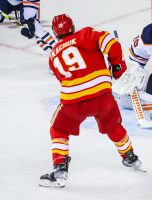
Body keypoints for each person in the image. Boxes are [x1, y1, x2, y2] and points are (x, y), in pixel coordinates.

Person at [39, 14, 142, 188]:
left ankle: (60, 168)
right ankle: (130, 157)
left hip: (73, 102)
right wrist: (117, 65)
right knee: (114, 126)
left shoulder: (53, 56)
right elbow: (111, 43)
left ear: (56, 34)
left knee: (58, 128)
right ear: (72, 27)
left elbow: (62, 79)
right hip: (102, 97)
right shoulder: (85, 34)